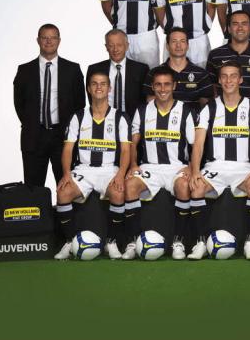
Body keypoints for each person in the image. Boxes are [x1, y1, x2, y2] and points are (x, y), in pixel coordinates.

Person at [187, 62, 250, 260]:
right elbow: (198, 144)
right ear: (219, 80)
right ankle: (200, 242)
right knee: (196, 189)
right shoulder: (209, 108)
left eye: (233, 76)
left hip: (243, 167)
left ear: (240, 79)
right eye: (224, 76)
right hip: (215, 167)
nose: (229, 80)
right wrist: (195, 171)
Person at [52, 71, 131, 260]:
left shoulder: (120, 117)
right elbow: (68, 149)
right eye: (94, 83)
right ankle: (69, 242)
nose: (99, 87)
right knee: (63, 192)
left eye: (103, 83)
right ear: (88, 88)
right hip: (84, 170)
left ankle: (111, 242)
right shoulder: (78, 116)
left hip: (109, 170)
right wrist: (66, 173)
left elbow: (126, 150)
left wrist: (120, 174)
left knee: (118, 193)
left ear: (109, 88)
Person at [125, 66, 196, 260]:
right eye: (158, 85)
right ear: (152, 87)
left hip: (177, 167)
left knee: (183, 186)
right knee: (130, 186)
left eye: (166, 84)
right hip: (150, 167)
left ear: (174, 86)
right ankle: (133, 242)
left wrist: (191, 167)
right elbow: (133, 142)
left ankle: (179, 242)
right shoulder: (142, 110)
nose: (162, 89)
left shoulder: (185, 111)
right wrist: (133, 165)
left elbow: (195, 145)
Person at [14, 23, 85, 188]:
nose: (49, 41)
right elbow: (19, 103)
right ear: (38, 40)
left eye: (53, 38)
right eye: (44, 38)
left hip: (63, 137)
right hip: (34, 136)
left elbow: (80, 103)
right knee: (33, 188)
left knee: (66, 186)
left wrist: (71, 130)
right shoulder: (24, 70)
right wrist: (32, 124)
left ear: (59, 41)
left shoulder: (73, 69)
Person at [206, 10, 250, 105]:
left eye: (244, 24)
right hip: (223, 111)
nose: (240, 28)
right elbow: (212, 86)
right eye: (235, 24)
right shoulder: (215, 55)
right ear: (229, 29)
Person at [87, 29, 150, 120]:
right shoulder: (94, 69)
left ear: (127, 46)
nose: (115, 49)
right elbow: (92, 97)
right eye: (111, 45)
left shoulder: (141, 69)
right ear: (106, 47)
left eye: (119, 45)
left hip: (133, 121)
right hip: (103, 120)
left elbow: (145, 99)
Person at [147, 28, 213, 107]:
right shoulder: (153, 74)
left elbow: (206, 107)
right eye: (174, 41)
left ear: (187, 46)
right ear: (167, 46)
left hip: (193, 115)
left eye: (182, 41)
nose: (178, 45)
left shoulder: (201, 74)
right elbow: (150, 105)